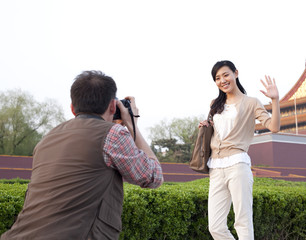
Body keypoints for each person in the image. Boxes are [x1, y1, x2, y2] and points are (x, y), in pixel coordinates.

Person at [1, 71, 163, 240]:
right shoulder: (113, 134)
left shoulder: (47, 139)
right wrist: (131, 123)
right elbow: (153, 176)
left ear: (72, 108)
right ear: (113, 107)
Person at [199, 60, 280, 240]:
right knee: (215, 227)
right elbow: (216, 130)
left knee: (242, 221)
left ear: (236, 73)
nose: (222, 80)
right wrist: (206, 126)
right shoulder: (215, 104)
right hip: (216, 168)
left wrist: (274, 100)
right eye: (217, 78)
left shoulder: (251, 102)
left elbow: (273, 127)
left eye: (225, 75)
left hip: (237, 165)